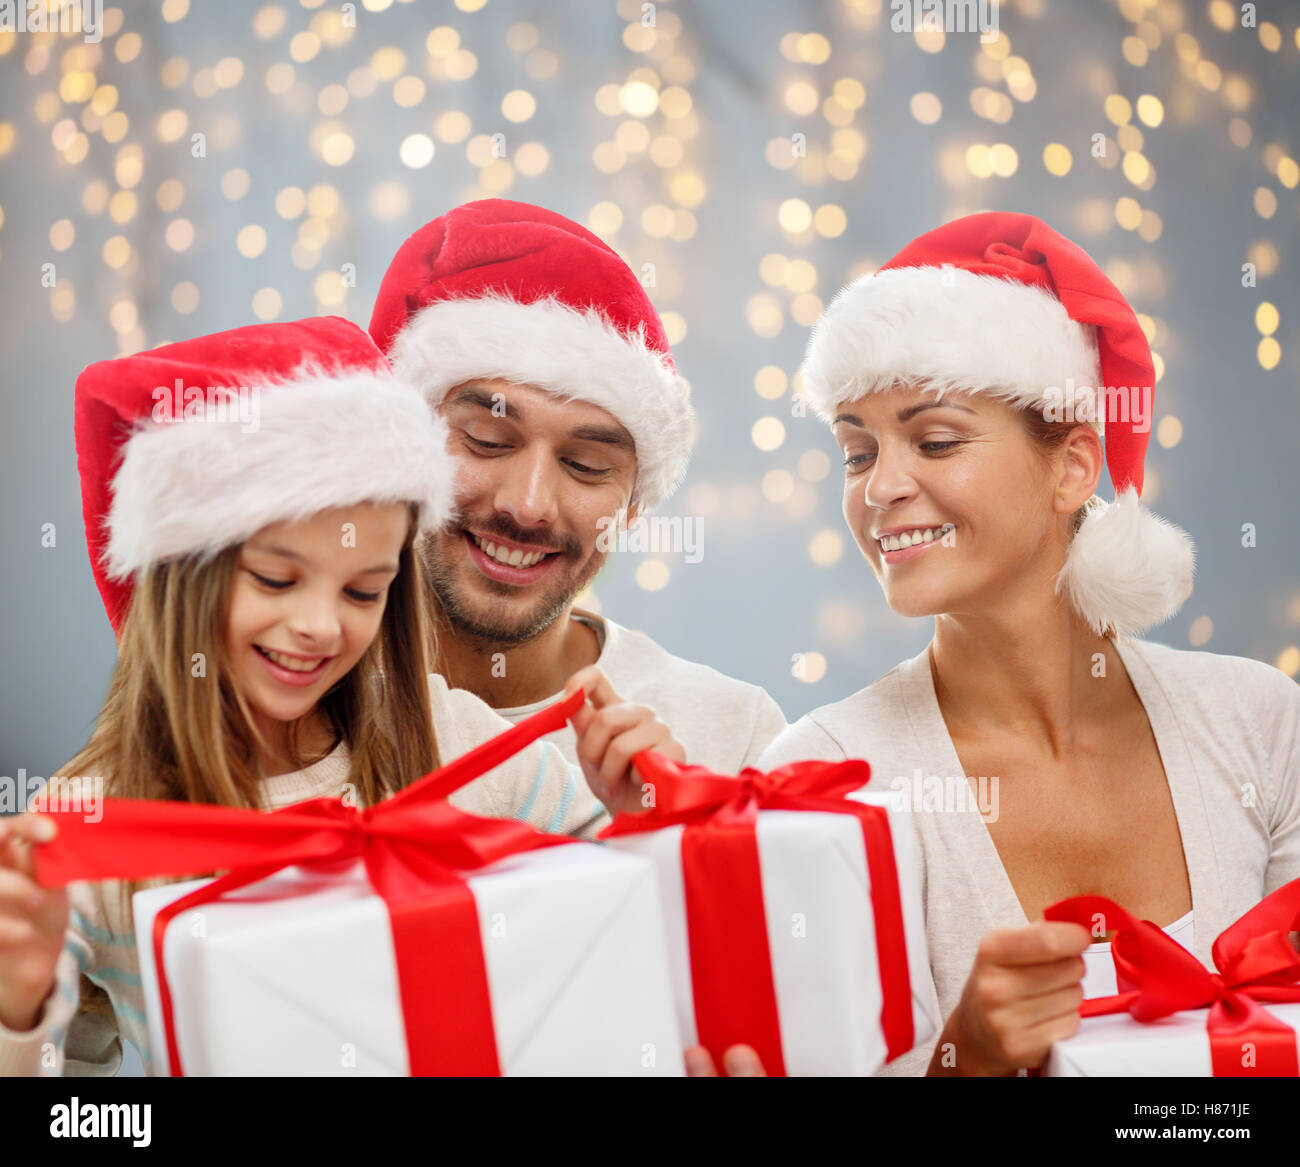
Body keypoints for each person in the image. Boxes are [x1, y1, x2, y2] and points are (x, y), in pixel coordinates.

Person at [0, 317, 682, 1076]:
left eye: (363, 591)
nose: (320, 626)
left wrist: (649, 819)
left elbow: (628, 941)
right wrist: (18, 1011)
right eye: (275, 579)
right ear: (179, 577)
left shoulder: (458, 740)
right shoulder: (91, 825)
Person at [758, 212, 1300, 1076]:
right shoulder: (824, 782)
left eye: (934, 440)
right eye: (857, 452)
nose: (883, 488)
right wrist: (962, 1059)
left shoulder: (1260, 722)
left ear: (1073, 467)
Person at [369, 199, 787, 808]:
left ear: (633, 507)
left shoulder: (735, 738)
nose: (529, 505)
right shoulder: (284, 704)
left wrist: (679, 847)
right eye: (486, 441)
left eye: (586, 465)